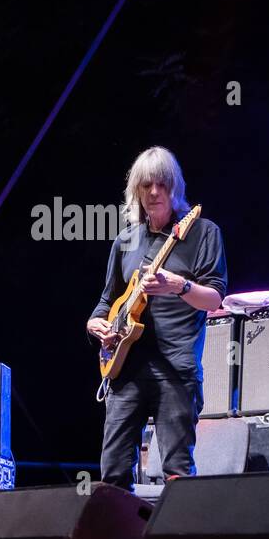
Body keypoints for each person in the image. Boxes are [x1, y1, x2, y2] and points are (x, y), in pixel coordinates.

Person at [86, 146, 227, 490]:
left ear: (174, 187)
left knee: (177, 472)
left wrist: (179, 286)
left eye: (161, 185)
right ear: (135, 191)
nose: (153, 193)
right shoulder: (125, 241)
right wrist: (95, 324)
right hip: (125, 372)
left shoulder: (202, 232)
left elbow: (214, 298)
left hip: (176, 371)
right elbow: (106, 302)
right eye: (146, 186)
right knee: (113, 475)